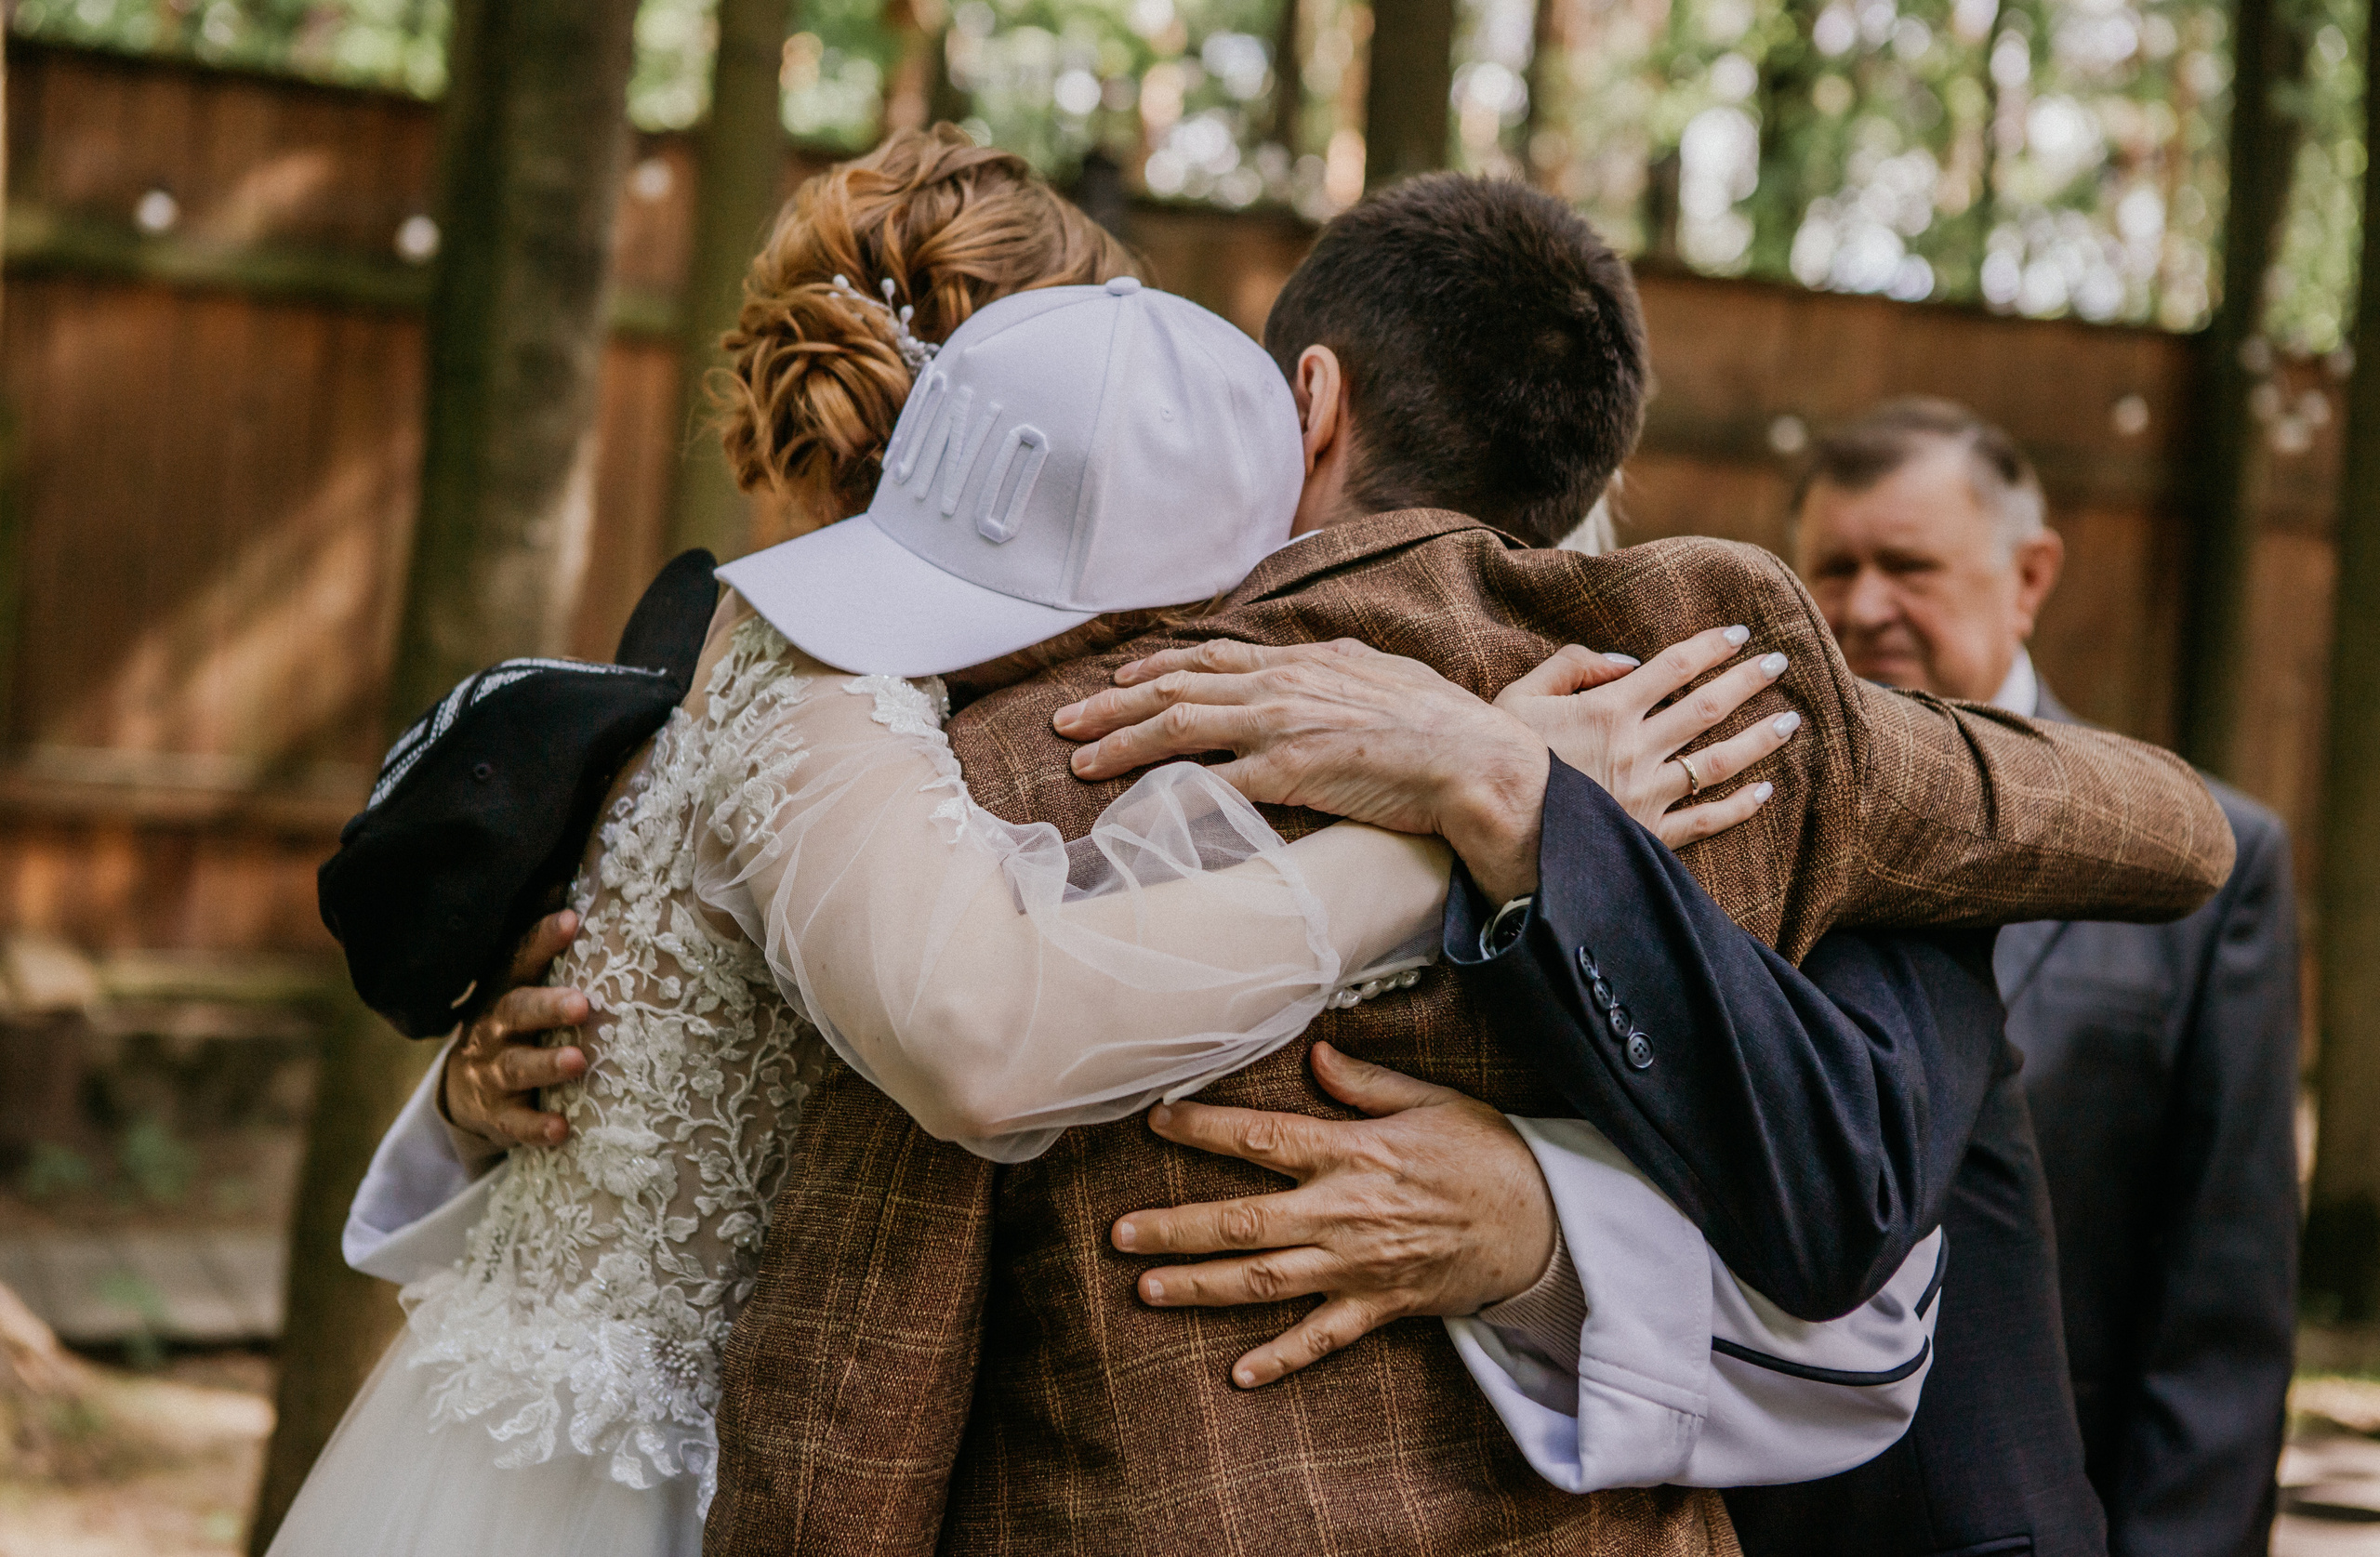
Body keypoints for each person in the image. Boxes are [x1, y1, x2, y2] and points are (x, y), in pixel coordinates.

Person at [306, 130, 1903, 1557]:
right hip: (637, 1481)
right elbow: (987, 1030)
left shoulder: (947, 686)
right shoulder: (817, 672)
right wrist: (1481, 822)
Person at [699, 176, 2232, 1555]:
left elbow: (860, 1365)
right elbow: (2183, 829)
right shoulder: (1722, 708)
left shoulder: (1024, 758)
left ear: (1310, 399)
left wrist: (1505, 789)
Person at [1790, 396, 2300, 1557]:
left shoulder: (2214, 869)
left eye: (1907, 566)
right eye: (1833, 568)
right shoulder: (1737, 842)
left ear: (2030, 576)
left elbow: (2219, 1314)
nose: (1864, 608)